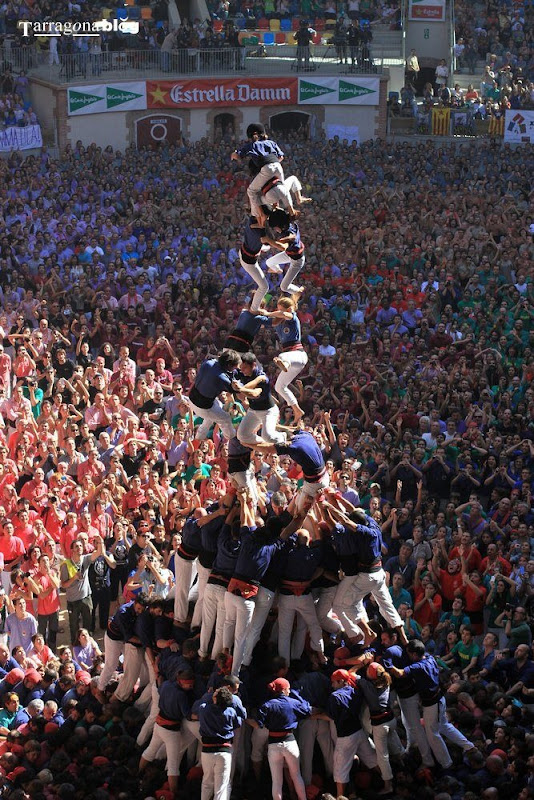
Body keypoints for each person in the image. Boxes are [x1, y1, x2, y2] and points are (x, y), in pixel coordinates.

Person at [252, 295, 308, 423]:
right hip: (294, 362)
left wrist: (269, 313)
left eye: (281, 310)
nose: (278, 313)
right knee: (279, 387)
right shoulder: (278, 322)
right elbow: (266, 322)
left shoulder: (292, 318)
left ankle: (285, 364)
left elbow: (285, 314)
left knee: (281, 357)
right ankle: (297, 410)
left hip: (297, 355)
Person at [254, 677, 311, 800]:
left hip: (274, 744)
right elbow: (307, 710)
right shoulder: (292, 702)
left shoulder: (267, 705)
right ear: (284, 689)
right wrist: (297, 694)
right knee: (296, 776)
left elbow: (260, 722)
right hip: (290, 742)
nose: (290, 691)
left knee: (277, 781)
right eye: (288, 689)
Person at [188, 350, 242, 441]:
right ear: (229, 365)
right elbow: (235, 389)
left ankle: (198, 437)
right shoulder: (221, 377)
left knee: (217, 409)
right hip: (203, 407)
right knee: (225, 418)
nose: (236, 369)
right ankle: (232, 439)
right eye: (235, 367)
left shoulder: (208, 363)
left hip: (192, 398)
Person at [263, 208, 305, 299]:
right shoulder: (289, 222)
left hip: (297, 260)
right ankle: (278, 270)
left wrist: (268, 240)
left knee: (284, 287)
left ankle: (299, 291)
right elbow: (281, 213)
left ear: (279, 226)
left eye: (274, 228)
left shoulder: (288, 234)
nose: (275, 230)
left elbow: (283, 247)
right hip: (289, 254)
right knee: (268, 262)